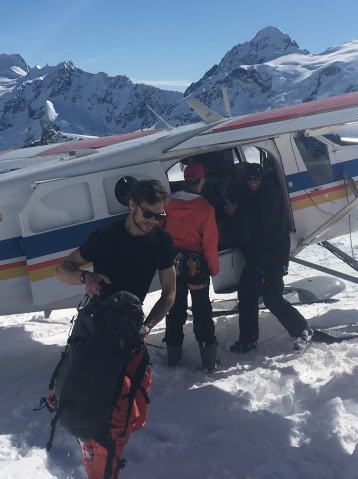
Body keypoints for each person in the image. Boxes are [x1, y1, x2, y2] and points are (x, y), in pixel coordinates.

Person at [55, 178, 177, 479]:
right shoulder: (105, 236)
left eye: (159, 215)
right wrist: (85, 278)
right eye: (148, 214)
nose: (153, 221)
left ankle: (98, 444)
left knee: (135, 411)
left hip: (132, 331)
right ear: (132, 204)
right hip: (97, 329)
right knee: (113, 412)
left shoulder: (161, 241)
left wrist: (147, 327)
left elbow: (169, 293)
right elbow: (62, 269)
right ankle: (100, 457)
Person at [225, 163, 313, 353]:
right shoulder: (248, 194)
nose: (253, 182)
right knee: (246, 296)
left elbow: (262, 223)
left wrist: (237, 212)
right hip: (256, 256)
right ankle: (248, 339)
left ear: (262, 178)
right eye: (249, 179)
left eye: (256, 179)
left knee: (273, 299)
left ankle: (303, 330)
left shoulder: (271, 195)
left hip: (274, 256)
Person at [162, 161, 220, 371]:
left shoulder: (168, 203)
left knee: (175, 309)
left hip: (174, 264)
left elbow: (160, 230)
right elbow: (210, 243)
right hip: (197, 266)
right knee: (202, 311)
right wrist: (213, 268)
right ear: (202, 180)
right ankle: (209, 360)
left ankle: (173, 355)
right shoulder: (205, 208)